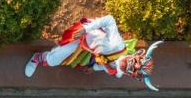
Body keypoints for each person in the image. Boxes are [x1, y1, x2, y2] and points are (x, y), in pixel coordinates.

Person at [23, 14, 162, 90]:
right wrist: (86, 29)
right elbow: (109, 20)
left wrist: (93, 68)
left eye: (134, 69)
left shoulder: (116, 70)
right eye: (136, 63)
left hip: (90, 50)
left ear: (131, 75)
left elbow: (103, 66)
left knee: (72, 61)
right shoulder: (116, 44)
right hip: (84, 36)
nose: (133, 66)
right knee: (53, 61)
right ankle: (37, 57)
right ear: (135, 55)